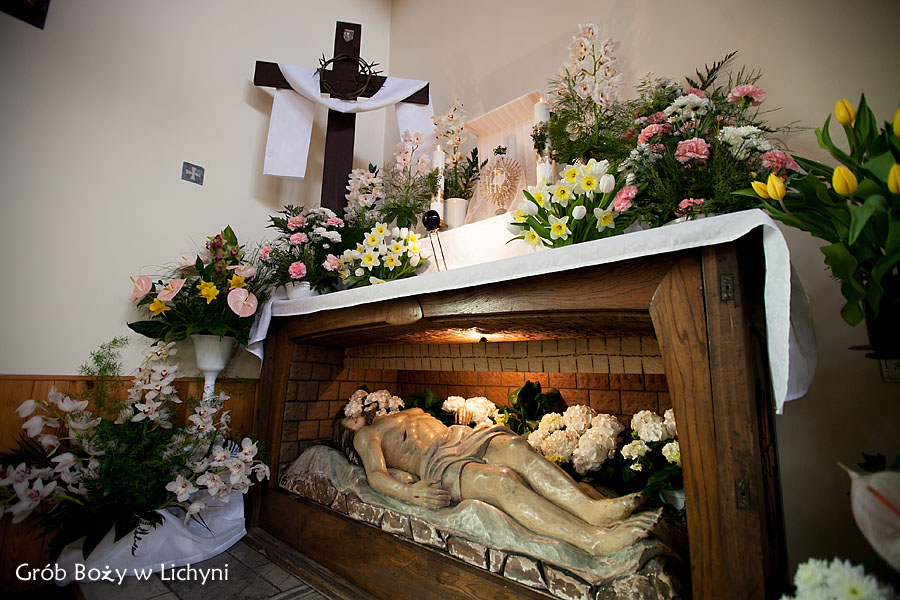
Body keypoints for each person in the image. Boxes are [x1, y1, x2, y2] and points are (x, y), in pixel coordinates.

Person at [334, 407, 660, 556]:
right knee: (503, 481)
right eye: (349, 418)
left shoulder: (405, 411)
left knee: (517, 448)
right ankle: (593, 540)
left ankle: (592, 510)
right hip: (436, 463)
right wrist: (410, 493)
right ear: (348, 432)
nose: (355, 413)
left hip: (461, 436)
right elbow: (376, 477)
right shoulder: (366, 435)